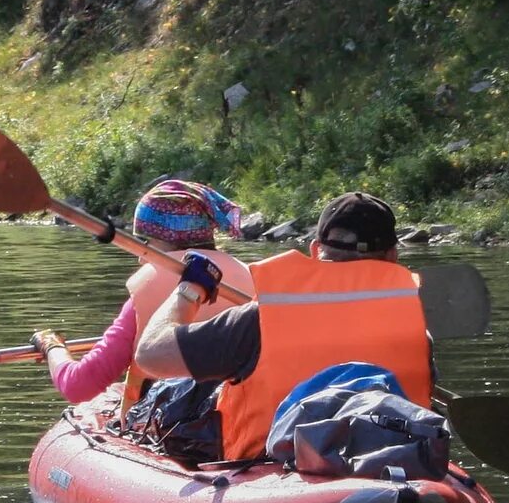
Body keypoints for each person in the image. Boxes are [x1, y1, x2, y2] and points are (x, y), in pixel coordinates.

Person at [130, 190, 432, 462]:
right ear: (393, 255)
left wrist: (190, 290)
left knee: (178, 390)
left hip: (268, 464)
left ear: (315, 250)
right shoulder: (418, 331)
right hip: (390, 458)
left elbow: (150, 355)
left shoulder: (261, 318)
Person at [32, 178, 253, 408]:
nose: (140, 256)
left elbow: (79, 385)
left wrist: (52, 347)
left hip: (174, 427)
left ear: (165, 238)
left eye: (146, 242)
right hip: (245, 422)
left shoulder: (150, 288)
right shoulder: (252, 279)